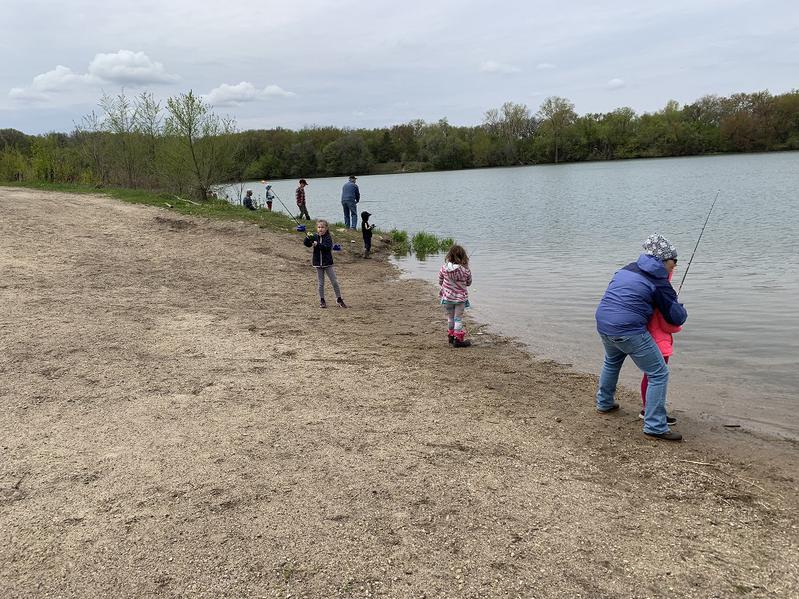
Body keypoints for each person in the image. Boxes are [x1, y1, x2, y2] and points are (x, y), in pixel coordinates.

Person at [594, 233, 687, 441]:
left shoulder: (628, 268)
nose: (675, 265)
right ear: (664, 260)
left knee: (611, 361)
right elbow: (676, 317)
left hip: (603, 322)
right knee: (659, 373)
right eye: (674, 261)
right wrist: (679, 305)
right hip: (629, 329)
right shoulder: (659, 281)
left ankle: (604, 403)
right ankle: (654, 425)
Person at [640, 268, 682, 425]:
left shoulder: (648, 294)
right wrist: (678, 313)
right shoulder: (663, 301)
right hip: (660, 343)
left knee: (648, 375)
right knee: (658, 377)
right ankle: (653, 412)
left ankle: (647, 408)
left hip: (647, 339)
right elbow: (672, 327)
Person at [303, 219, 347, 309]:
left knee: (334, 281)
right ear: (317, 228)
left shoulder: (328, 237)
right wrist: (307, 238)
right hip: (318, 263)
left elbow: (326, 248)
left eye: (322, 227)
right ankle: (322, 300)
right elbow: (307, 244)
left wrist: (317, 244)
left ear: (326, 228)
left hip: (328, 263)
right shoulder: (314, 236)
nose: (320, 229)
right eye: (319, 227)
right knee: (321, 283)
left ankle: (339, 299)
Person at [438, 244, 472, 348]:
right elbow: (469, 283)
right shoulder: (465, 270)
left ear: (449, 256)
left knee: (450, 318)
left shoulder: (443, 268)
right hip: (460, 299)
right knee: (458, 318)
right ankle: (458, 340)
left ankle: (451, 336)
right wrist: (466, 269)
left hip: (447, 298)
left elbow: (440, 281)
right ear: (463, 257)